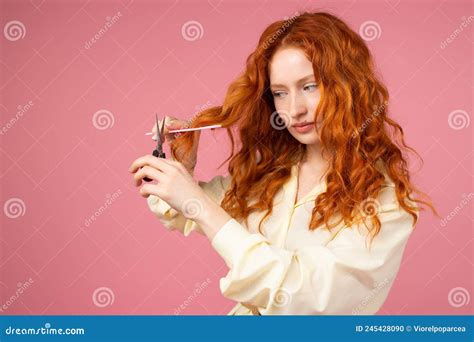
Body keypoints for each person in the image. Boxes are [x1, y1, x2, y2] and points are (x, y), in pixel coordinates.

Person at [129, 11, 437, 315]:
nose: (294, 109)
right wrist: (182, 169)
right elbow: (186, 211)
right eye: (279, 93)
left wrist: (198, 202)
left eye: (310, 86)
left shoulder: (384, 200)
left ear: (347, 85)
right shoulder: (273, 175)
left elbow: (308, 297)